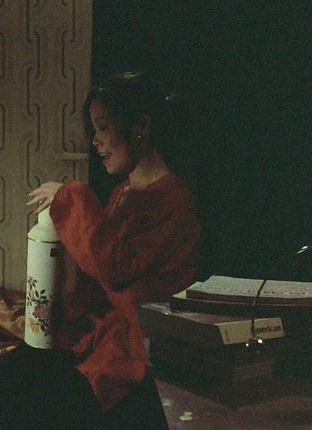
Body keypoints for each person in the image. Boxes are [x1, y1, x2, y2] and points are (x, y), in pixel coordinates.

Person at [25, 70, 202, 428]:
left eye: (103, 127)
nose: (95, 141)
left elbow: (116, 267)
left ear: (140, 128)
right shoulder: (123, 191)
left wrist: (70, 196)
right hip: (101, 328)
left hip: (136, 342)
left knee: (32, 406)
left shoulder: (173, 198)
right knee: (4, 380)